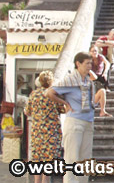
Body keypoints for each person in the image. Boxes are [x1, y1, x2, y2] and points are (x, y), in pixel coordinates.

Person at [46, 52, 96, 183]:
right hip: (75, 121)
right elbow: (50, 92)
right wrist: (65, 103)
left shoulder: (87, 80)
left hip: (88, 121)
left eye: (91, 63)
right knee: (71, 158)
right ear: (78, 64)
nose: (90, 66)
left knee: (86, 159)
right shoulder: (70, 79)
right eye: (87, 63)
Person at [25, 71, 63, 183]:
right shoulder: (54, 94)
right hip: (51, 131)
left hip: (37, 130)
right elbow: (62, 109)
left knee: (37, 160)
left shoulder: (33, 94)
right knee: (47, 164)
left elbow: (28, 111)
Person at [88, 45, 112, 117]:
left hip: (100, 76)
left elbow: (107, 63)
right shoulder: (88, 59)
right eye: (93, 51)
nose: (94, 52)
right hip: (92, 77)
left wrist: (105, 72)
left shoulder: (100, 57)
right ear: (90, 52)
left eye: (95, 51)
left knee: (102, 90)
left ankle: (102, 111)